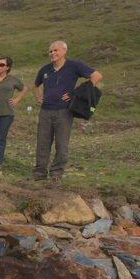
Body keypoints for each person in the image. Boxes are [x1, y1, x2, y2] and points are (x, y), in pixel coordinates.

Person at [30, 41, 103, 182]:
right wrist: (39, 97)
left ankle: (56, 172)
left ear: (64, 51)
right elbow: (35, 85)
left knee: (61, 143)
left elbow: (97, 76)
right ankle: (39, 172)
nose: (52, 53)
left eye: (55, 50)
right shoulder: (45, 69)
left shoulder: (74, 65)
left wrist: (76, 93)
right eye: (50, 51)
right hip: (46, 110)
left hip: (64, 110)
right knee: (42, 142)